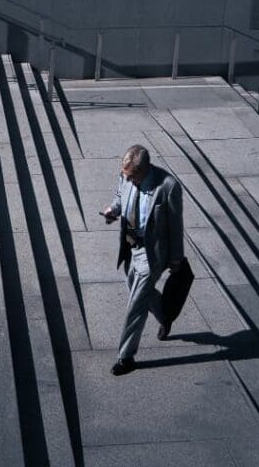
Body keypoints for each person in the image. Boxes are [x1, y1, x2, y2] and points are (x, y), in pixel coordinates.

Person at [100, 144, 184, 376]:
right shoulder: (126, 177)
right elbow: (120, 197)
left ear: (145, 170)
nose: (127, 180)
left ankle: (126, 357)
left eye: (131, 177)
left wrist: (176, 258)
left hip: (153, 254)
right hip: (130, 247)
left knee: (136, 304)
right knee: (136, 289)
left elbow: (176, 226)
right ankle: (165, 314)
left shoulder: (168, 187)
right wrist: (113, 210)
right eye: (124, 175)